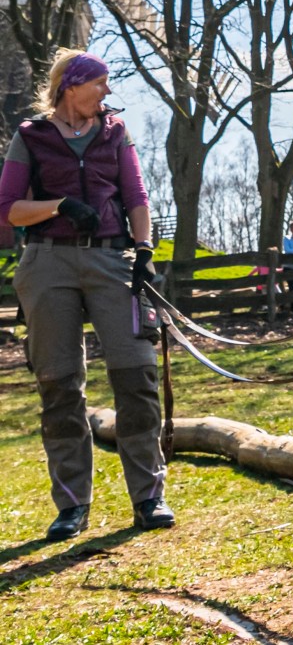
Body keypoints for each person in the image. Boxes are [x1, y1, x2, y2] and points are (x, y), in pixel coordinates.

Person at [0, 49, 174, 540]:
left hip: (110, 259)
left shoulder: (115, 132)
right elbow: (9, 209)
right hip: (47, 262)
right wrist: (59, 205)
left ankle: (148, 496)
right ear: (70, 86)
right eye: (99, 83)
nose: (107, 91)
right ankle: (72, 504)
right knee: (59, 385)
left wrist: (144, 250)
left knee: (136, 373)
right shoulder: (31, 137)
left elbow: (136, 195)